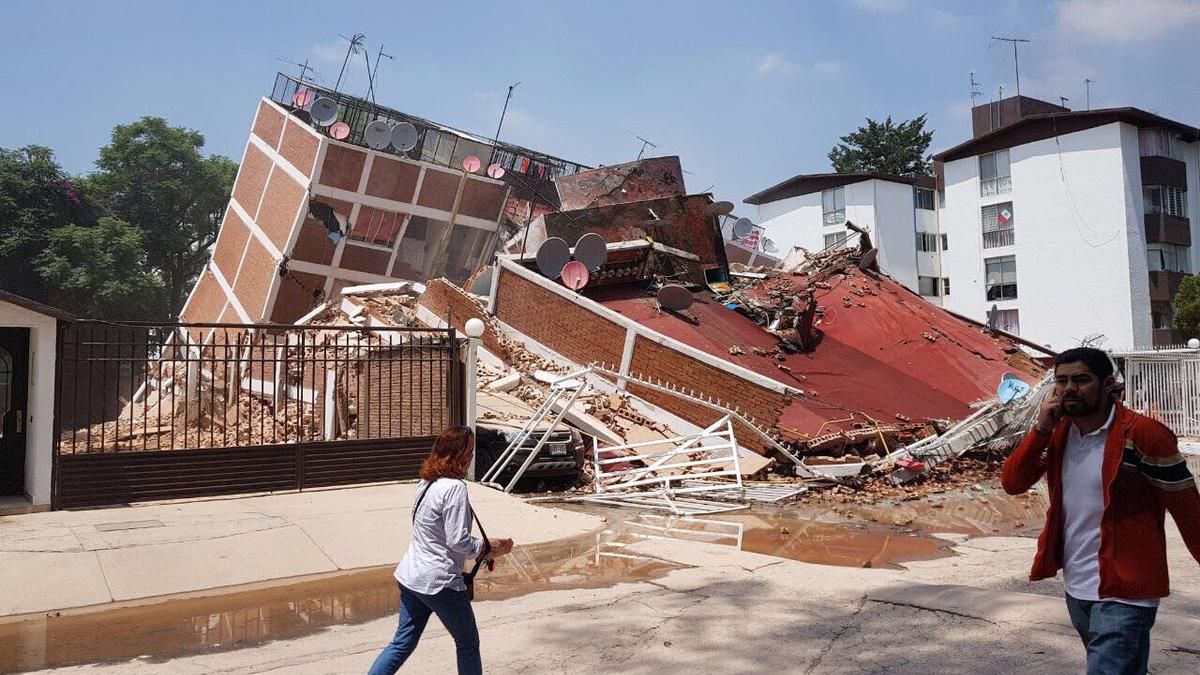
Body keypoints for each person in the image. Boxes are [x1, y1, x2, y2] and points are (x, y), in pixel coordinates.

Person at [1002, 347, 1200, 674]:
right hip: (1077, 586)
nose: (1069, 389)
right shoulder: (1059, 433)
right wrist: (1040, 431)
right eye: (1062, 381)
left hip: (1127, 590)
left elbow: (1187, 508)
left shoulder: (1142, 436)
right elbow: (1012, 483)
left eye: (1081, 380)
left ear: (1107, 384)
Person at [368, 426, 514, 675]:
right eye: (468, 451)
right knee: (468, 642)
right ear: (457, 454)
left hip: (412, 576)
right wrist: (488, 548)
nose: (470, 457)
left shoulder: (426, 482)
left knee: (401, 643)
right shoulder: (455, 488)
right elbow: (458, 540)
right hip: (439, 581)